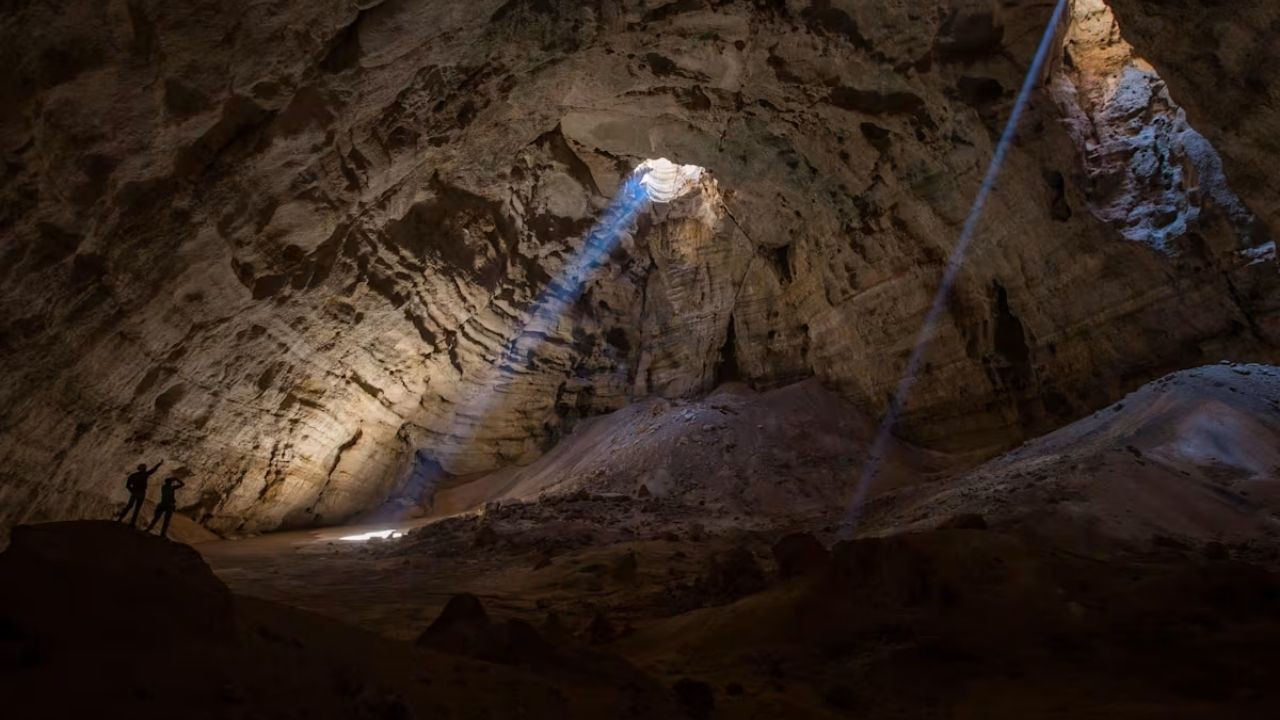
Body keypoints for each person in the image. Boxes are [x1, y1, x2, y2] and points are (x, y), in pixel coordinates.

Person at [115, 460, 163, 527]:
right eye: (144, 468)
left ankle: (121, 519)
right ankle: (130, 523)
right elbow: (153, 470)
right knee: (136, 508)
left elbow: (127, 485)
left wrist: (132, 491)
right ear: (142, 468)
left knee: (130, 506)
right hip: (141, 493)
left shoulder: (134, 475)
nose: (145, 469)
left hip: (137, 492)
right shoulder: (144, 474)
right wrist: (159, 464)